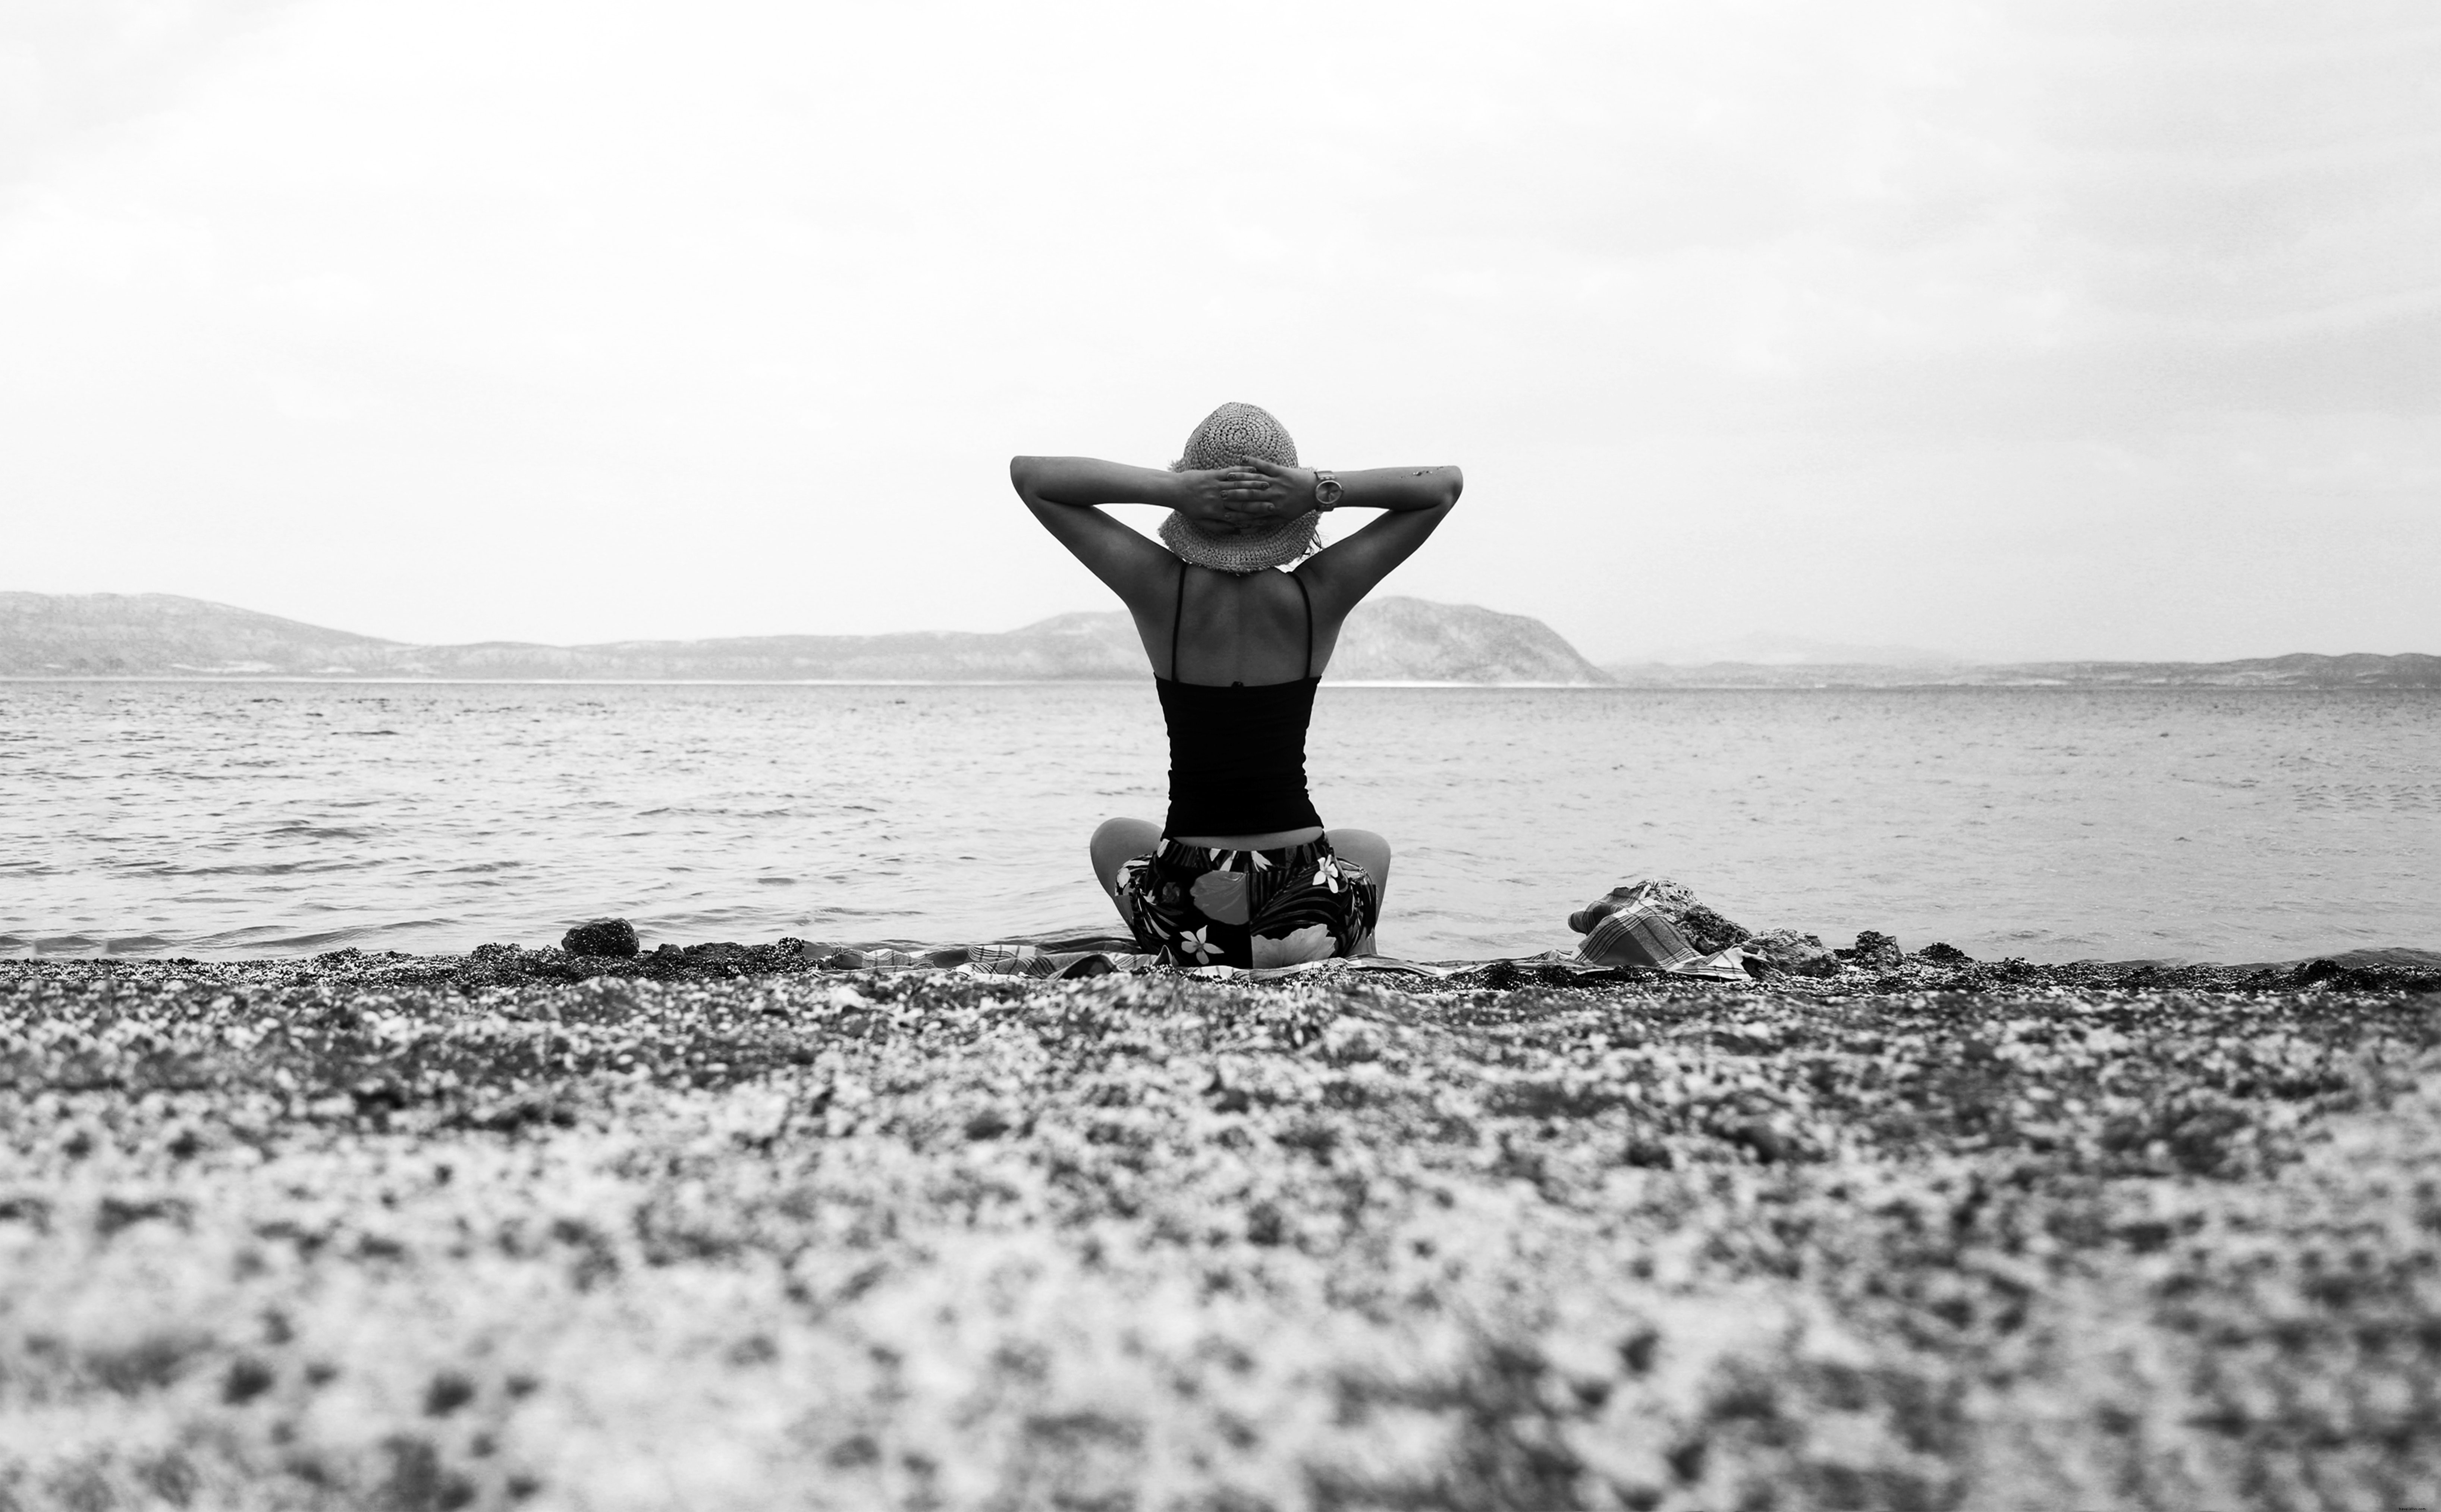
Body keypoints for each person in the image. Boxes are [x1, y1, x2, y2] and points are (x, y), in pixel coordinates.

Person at [1009, 402, 1462, 967]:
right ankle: (1356, 955)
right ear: (1292, 514)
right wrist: (1317, 489)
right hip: (1307, 910)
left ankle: (1187, 954)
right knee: (1366, 847)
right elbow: (1443, 487)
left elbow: (1032, 476)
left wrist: (1177, 491)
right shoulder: (1319, 594)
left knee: (1116, 836)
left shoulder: (1159, 591)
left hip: (1190, 919)